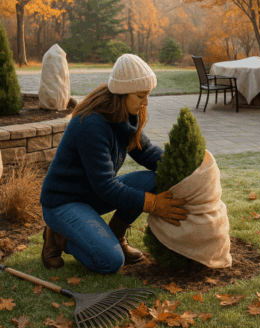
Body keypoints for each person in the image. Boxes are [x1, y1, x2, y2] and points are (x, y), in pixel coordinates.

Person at [40, 54, 189, 274]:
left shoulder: (126, 115)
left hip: (91, 195)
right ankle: (59, 237)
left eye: (147, 95)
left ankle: (117, 237)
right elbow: (106, 187)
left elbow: (146, 151)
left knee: (156, 179)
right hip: (64, 202)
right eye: (141, 96)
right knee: (110, 261)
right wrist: (153, 204)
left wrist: (181, 167)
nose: (146, 102)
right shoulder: (92, 125)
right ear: (122, 93)